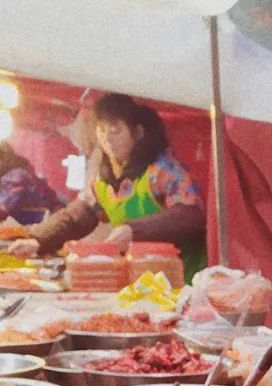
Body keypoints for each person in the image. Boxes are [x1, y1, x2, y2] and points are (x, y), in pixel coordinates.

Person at [17, 93, 206, 282]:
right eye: (101, 131)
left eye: (115, 131)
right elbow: (78, 216)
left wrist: (134, 231)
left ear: (137, 133)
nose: (107, 139)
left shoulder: (162, 169)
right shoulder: (104, 177)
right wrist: (38, 240)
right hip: (140, 279)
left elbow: (191, 215)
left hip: (181, 278)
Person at [0, 142, 64, 224]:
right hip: (40, 221)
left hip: (39, 222)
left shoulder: (16, 175)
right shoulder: (15, 173)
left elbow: (6, 206)